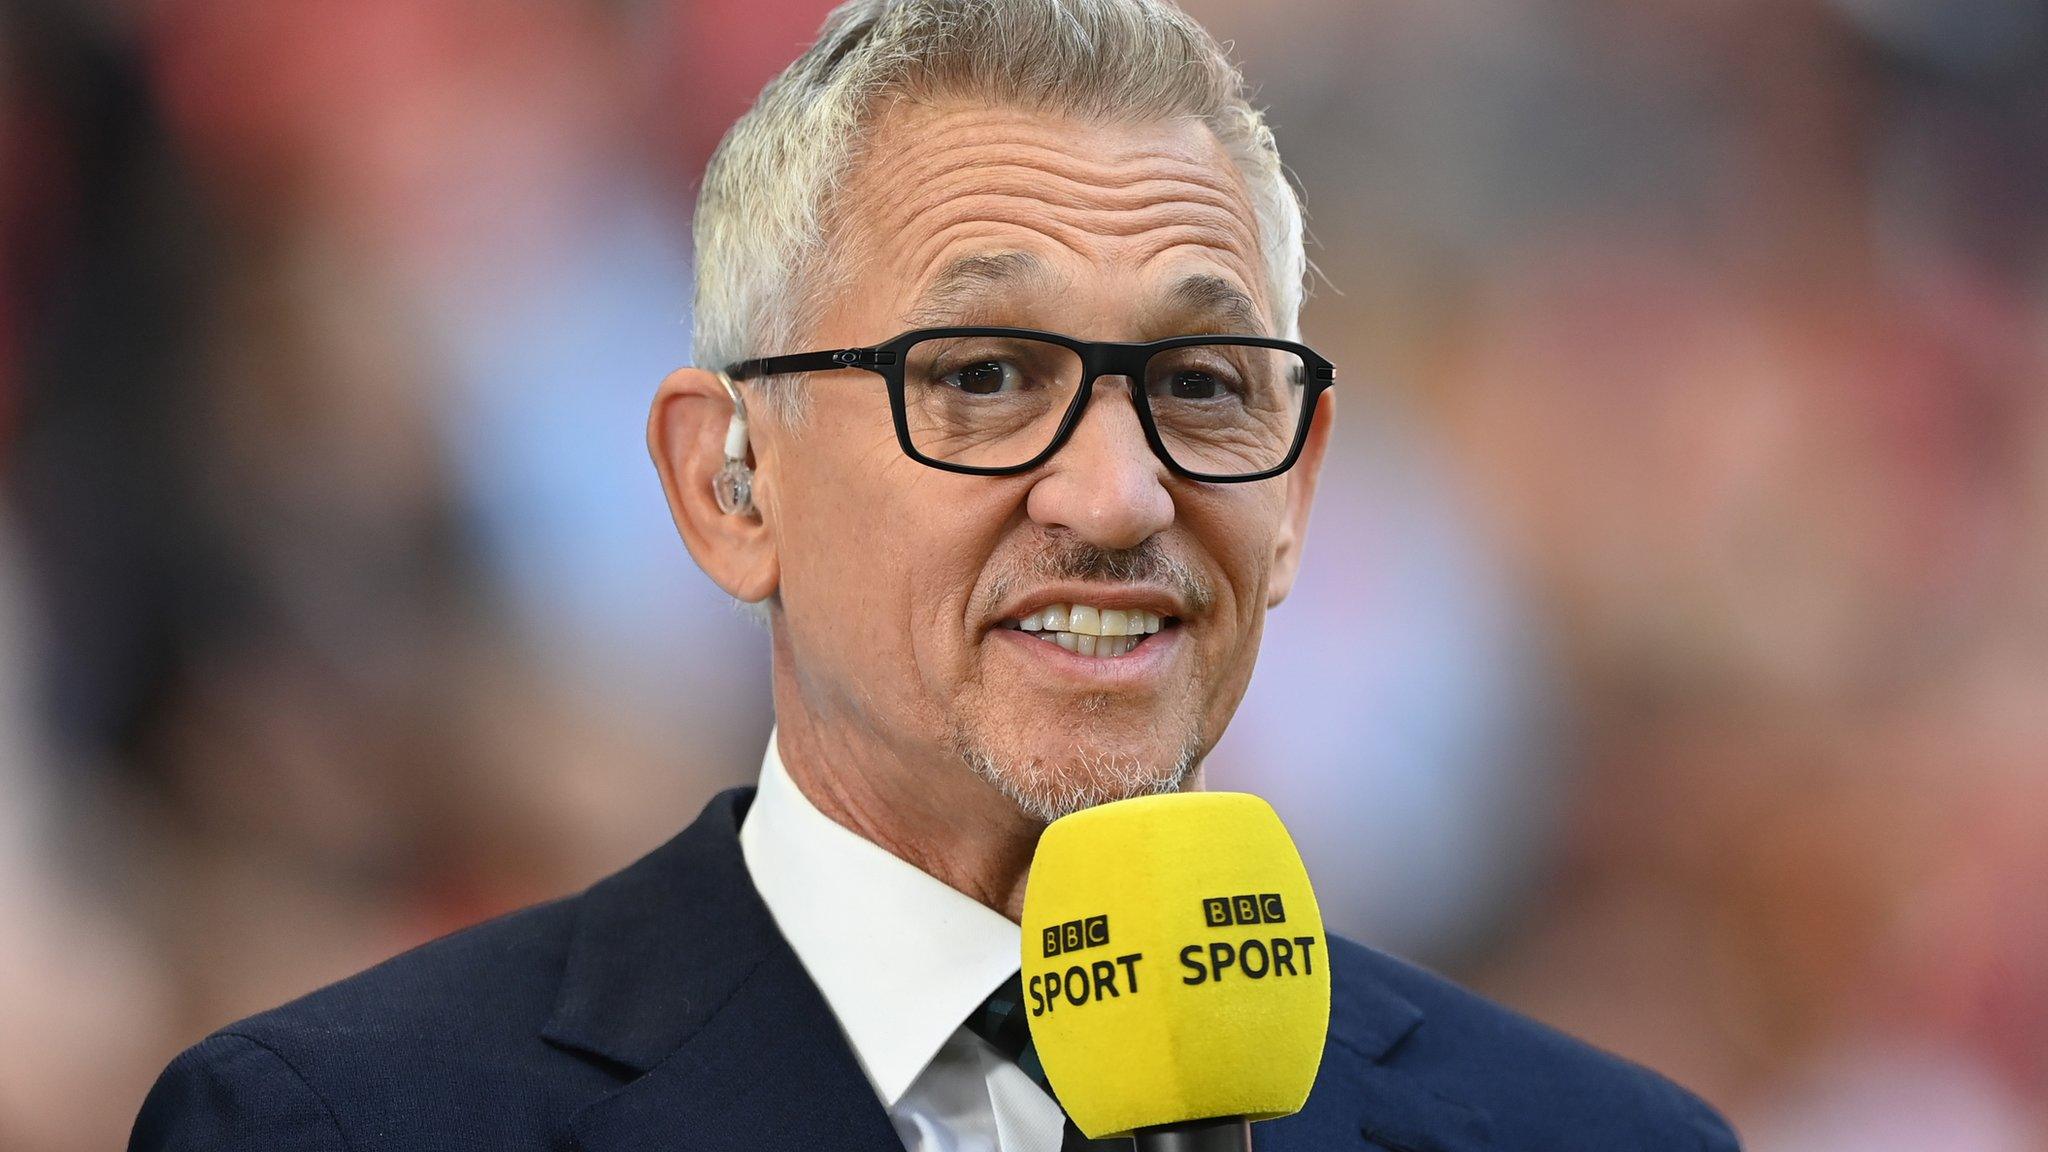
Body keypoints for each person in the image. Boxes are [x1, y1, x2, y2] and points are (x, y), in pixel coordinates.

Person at [129, 1, 1741, 1148]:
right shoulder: (339, 1125)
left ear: (1300, 492)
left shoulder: (1594, 1135)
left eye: (1201, 385)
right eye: (979, 376)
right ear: (726, 484)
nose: (1119, 495)